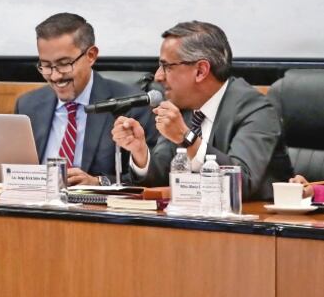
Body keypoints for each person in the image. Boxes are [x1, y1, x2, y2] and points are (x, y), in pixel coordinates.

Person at [112, 21, 292, 200]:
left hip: (252, 222)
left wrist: (187, 138)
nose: (158, 76)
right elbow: (160, 177)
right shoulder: (183, 106)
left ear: (201, 71)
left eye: (167, 66)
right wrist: (140, 153)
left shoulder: (256, 110)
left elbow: (241, 183)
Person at [15, 13, 157, 185]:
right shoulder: (28, 105)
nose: (55, 76)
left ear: (91, 55)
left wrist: (98, 182)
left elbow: (148, 180)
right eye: (45, 65)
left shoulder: (132, 105)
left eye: (64, 64)